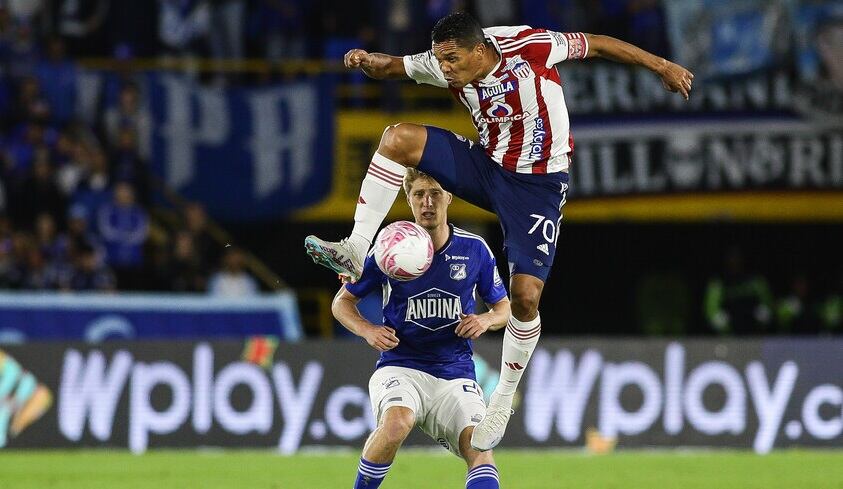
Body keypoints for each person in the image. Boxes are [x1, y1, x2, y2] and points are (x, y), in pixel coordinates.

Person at [305, 12, 695, 450]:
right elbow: (398, 66)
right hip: (488, 167)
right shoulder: (443, 61)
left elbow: (599, 43)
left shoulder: (530, 46)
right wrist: (369, 60)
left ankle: (503, 397)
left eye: (453, 59)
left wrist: (662, 66)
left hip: (538, 186)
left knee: (526, 297)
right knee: (396, 139)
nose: (445, 68)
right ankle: (357, 248)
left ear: (479, 49)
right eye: (441, 60)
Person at [331, 168, 511, 489]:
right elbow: (341, 303)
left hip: (455, 372)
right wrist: (368, 330)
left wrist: (485, 320)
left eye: (436, 193)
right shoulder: (389, 249)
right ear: (409, 200)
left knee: (479, 446)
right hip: (401, 365)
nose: (427, 202)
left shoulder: (475, 250)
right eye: (419, 195)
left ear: (449, 197)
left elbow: (504, 310)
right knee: (397, 423)